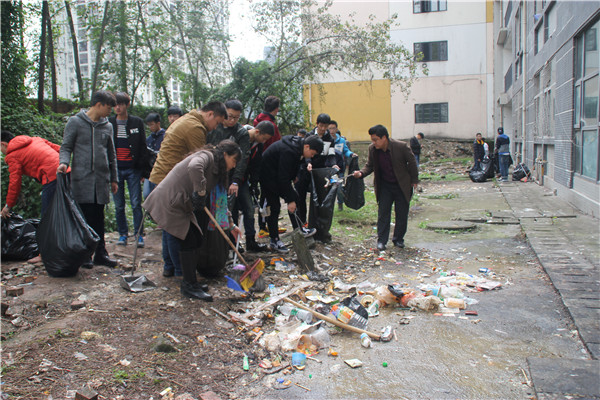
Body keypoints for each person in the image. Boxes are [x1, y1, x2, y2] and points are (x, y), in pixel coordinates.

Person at [143, 141, 242, 301]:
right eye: (234, 160)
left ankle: (191, 282)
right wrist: (200, 191)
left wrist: (231, 225)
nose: (234, 165)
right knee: (189, 239)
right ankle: (188, 285)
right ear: (225, 155)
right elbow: (195, 166)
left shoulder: (217, 171)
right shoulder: (207, 156)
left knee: (196, 238)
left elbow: (220, 202)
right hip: (171, 201)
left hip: (181, 204)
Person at [149, 101, 227, 277]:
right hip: (168, 181)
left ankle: (170, 267)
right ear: (210, 114)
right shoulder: (195, 128)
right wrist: (202, 190)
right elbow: (198, 160)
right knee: (176, 228)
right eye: (217, 122)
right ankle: (181, 271)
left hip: (161, 178)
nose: (215, 128)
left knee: (168, 226)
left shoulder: (186, 120)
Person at [57, 90, 119, 268]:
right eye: (108, 107)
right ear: (98, 105)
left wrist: (114, 178)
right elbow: (66, 147)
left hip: (101, 180)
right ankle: (84, 255)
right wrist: (63, 163)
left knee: (98, 218)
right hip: (81, 179)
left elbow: (111, 154)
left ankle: (101, 254)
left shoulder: (107, 126)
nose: (110, 111)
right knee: (82, 218)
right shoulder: (75, 122)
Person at [353, 125, 418, 251]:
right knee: (383, 213)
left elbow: (412, 163)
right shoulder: (372, 149)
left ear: (384, 138)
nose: (374, 142)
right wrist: (361, 173)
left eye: (376, 139)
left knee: (401, 213)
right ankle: (382, 241)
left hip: (401, 185)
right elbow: (369, 165)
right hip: (385, 186)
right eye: (372, 140)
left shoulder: (401, 147)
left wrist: (414, 180)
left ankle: (398, 239)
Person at [260, 135, 323, 253]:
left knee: (295, 197)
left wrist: (294, 177)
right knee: (274, 207)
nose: (312, 157)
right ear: (307, 146)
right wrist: (290, 200)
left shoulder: (297, 147)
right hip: (268, 177)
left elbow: (293, 165)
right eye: (312, 154)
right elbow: (283, 177)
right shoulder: (289, 150)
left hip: (277, 175)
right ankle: (274, 240)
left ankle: (298, 229)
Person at [109, 92, 149, 248]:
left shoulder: (136, 122)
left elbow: (143, 146)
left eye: (120, 104)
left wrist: (143, 171)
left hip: (133, 169)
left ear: (127, 105)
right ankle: (123, 234)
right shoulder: (109, 123)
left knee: (135, 203)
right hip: (116, 170)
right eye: (115, 105)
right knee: (119, 205)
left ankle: (139, 235)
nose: (117, 108)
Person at [1, 130, 66, 220]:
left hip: (51, 177)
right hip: (66, 171)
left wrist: (8, 206)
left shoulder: (12, 156)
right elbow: (61, 150)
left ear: (3, 144)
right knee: (68, 208)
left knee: (47, 218)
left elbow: (14, 182)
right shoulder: (35, 139)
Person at [233, 121, 275, 252]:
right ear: (257, 131)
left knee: (249, 209)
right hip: (231, 180)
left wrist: (254, 184)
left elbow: (256, 165)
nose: (264, 141)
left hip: (244, 181)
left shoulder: (258, 145)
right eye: (264, 138)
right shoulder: (238, 136)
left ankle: (250, 241)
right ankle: (233, 243)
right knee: (232, 211)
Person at [253, 96, 283, 238]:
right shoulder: (271, 126)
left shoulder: (257, 120)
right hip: (268, 166)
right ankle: (264, 226)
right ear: (276, 109)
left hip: (259, 163)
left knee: (265, 197)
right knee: (268, 198)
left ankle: (268, 224)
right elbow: (276, 146)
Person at [328, 120, 357, 211]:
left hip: (340, 168)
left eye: (333, 128)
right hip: (328, 168)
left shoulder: (341, 140)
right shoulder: (326, 140)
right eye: (329, 128)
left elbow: (346, 151)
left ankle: (340, 202)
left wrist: (351, 154)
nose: (331, 131)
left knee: (339, 187)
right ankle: (328, 206)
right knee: (328, 187)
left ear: (336, 129)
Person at [143, 112, 166, 199]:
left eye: (152, 124)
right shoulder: (149, 139)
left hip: (161, 170)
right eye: (149, 125)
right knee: (146, 194)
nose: (150, 127)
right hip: (149, 171)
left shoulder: (166, 136)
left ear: (158, 123)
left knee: (159, 194)